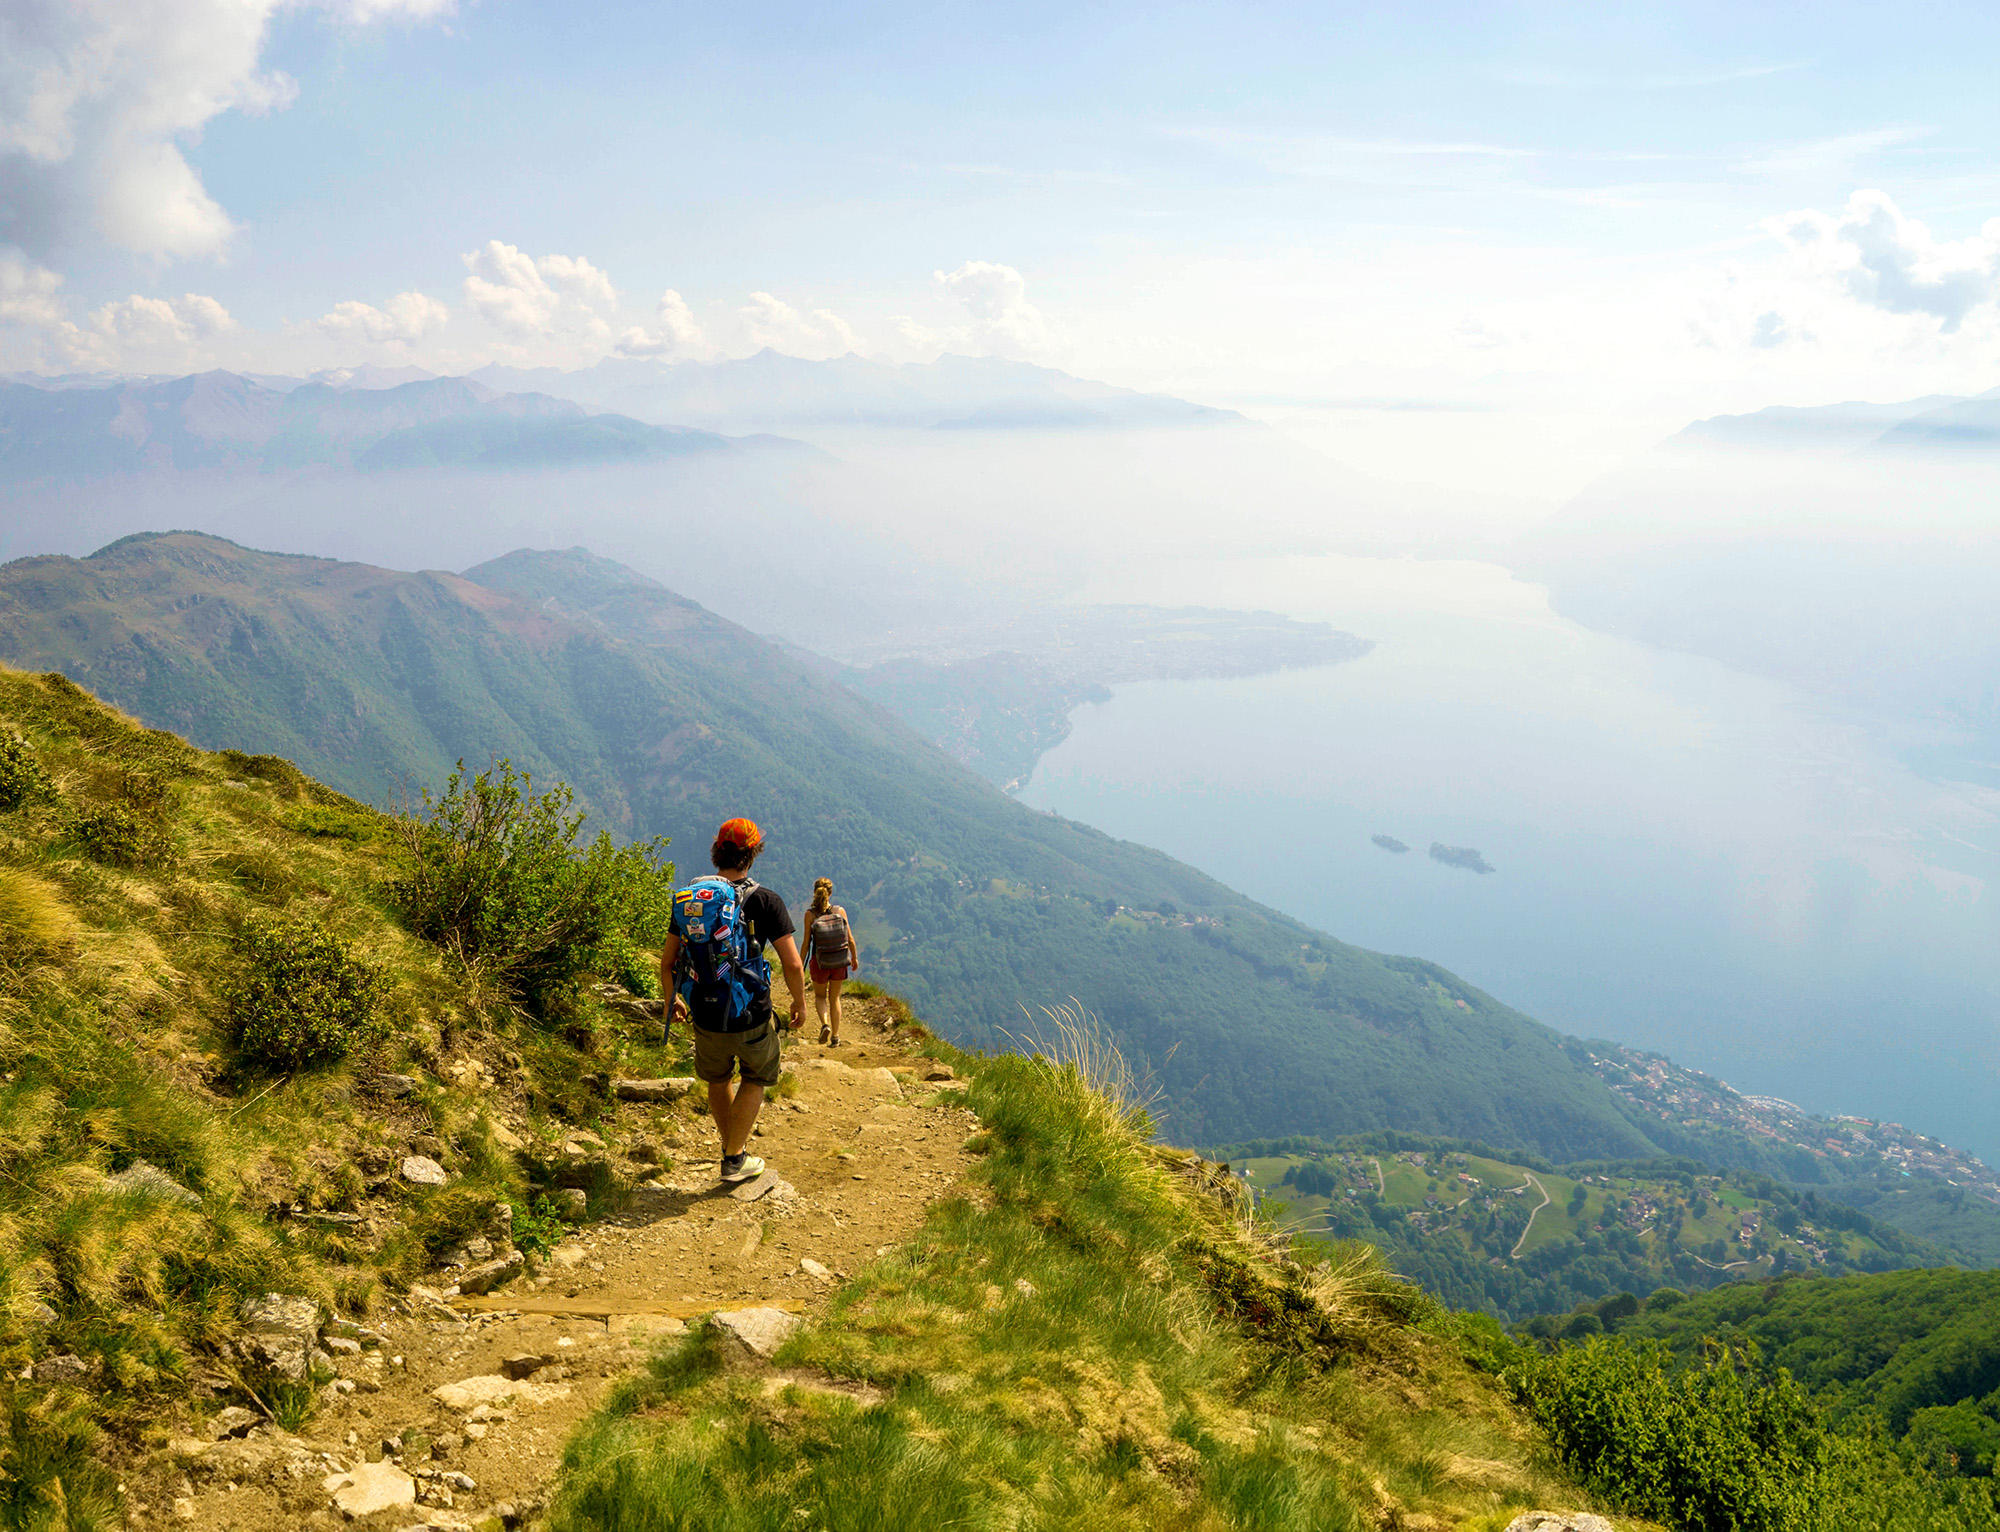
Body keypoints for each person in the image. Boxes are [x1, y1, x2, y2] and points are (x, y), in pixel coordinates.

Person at [659, 817, 806, 1183]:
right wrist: (800, 1003)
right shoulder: (766, 900)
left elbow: (668, 962)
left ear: (716, 851)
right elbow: (791, 962)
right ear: (752, 853)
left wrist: (671, 1000)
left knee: (718, 1078)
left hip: (704, 1011)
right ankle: (734, 1158)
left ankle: (733, 1150)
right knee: (755, 1076)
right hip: (750, 1011)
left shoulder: (690, 900)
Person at [803, 876, 859, 1045]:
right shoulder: (839, 911)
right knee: (834, 998)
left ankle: (825, 1024)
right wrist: (854, 958)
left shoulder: (810, 915)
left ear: (815, 892)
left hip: (820, 962)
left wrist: (799, 963)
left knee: (820, 996)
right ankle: (835, 1036)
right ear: (831, 893)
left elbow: (806, 943)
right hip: (839, 961)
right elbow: (850, 939)